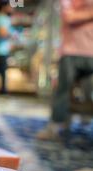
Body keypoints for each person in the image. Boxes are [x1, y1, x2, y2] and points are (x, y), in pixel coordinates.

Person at [37, 0, 93, 140]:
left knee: (88, 93)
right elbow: (69, 17)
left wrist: (83, 14)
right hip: (71, 51)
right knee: (62, 90)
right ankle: (54, 127)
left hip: (90, 52)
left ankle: (80, 120)